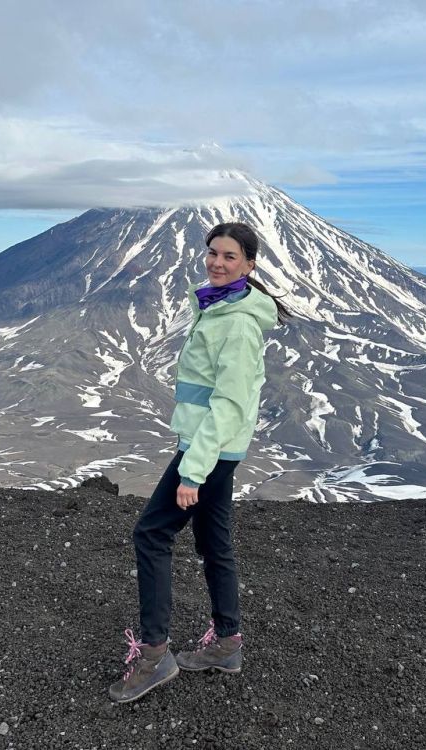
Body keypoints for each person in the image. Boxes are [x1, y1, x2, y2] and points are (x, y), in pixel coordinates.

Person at [108, 221, 292, 704]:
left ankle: (154, 655)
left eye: (230, 256)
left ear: (249, 266)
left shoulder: (235, 322)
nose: (217, 262)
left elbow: (229, 404)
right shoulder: (218, 308)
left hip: (206, 451)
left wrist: (193, 470)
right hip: (216, 449)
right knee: (214, 541)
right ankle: (227, 643)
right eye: (212, 252)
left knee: (151, 533)